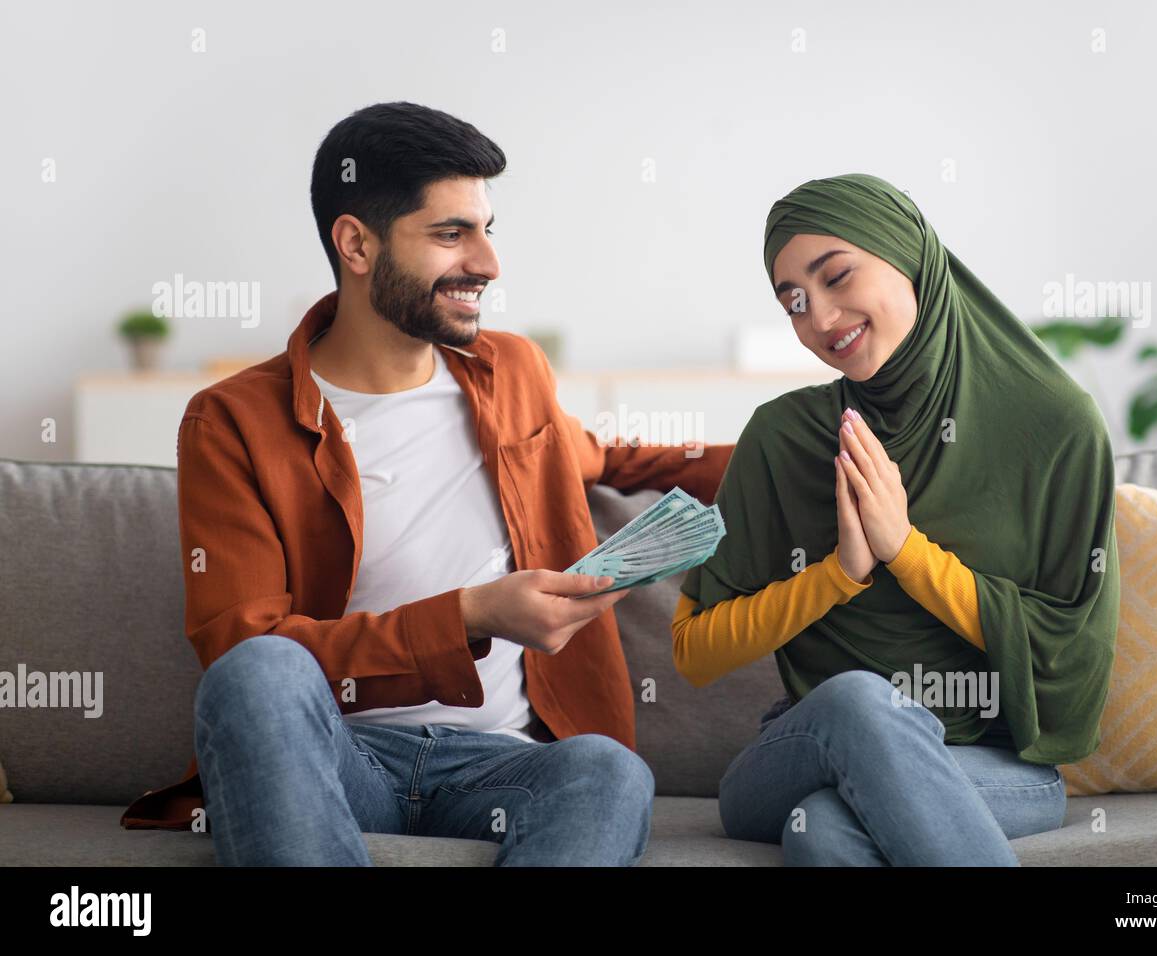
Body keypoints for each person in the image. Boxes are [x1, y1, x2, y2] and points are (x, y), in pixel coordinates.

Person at [119, 102, 734, 865]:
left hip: (509, 768)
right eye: (451, 234)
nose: (488, 263)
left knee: (607, 770)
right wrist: (470, 614)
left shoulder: (513, 374)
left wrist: (808, 447)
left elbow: (615, 459)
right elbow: (242, 646)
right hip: (341, 759)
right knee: (256, 673)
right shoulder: (232, 420)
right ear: (356, 244)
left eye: (486, 230)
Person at [672, 173, 1120, 866]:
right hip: (806, 748)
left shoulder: (1055, 426)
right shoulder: (784, 438)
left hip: (994, 766)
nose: (819, 319)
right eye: (793, 300)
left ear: (909, 255)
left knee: (823, 827)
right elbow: (695, 651)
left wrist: (906, 552)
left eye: (836, 277)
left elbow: (1072, 650)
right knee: (857, 701)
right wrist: (839, 574)